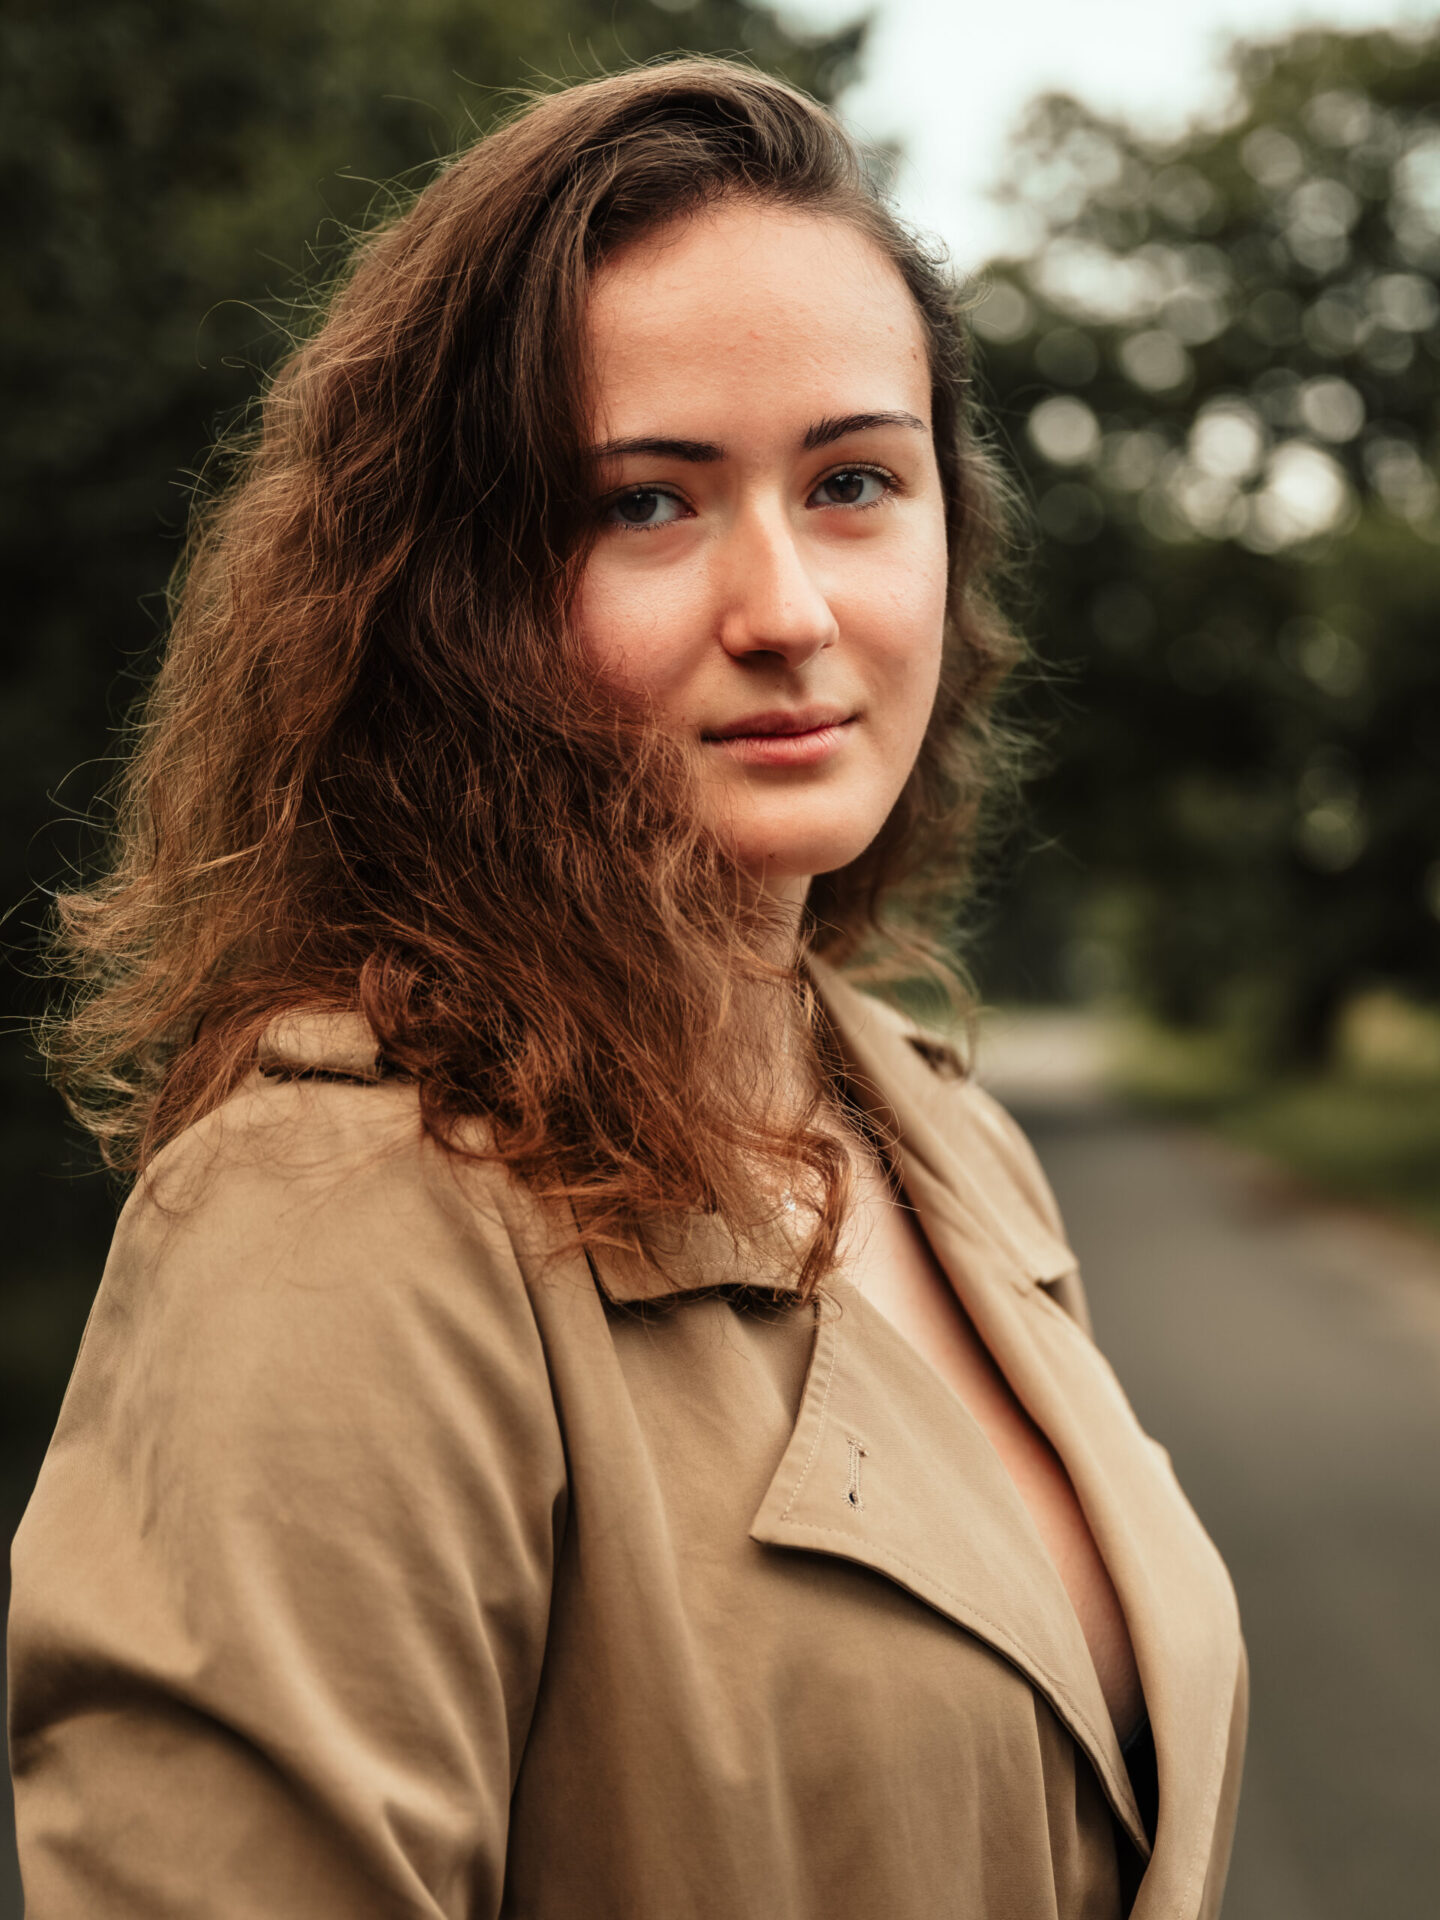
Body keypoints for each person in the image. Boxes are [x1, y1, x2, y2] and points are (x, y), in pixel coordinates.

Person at [7, 58, 1246, 1919]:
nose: (789, 608)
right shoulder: (330, 1222)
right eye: (649, 507)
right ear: (446, 598)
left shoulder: (943, 1132)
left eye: (852, 482)